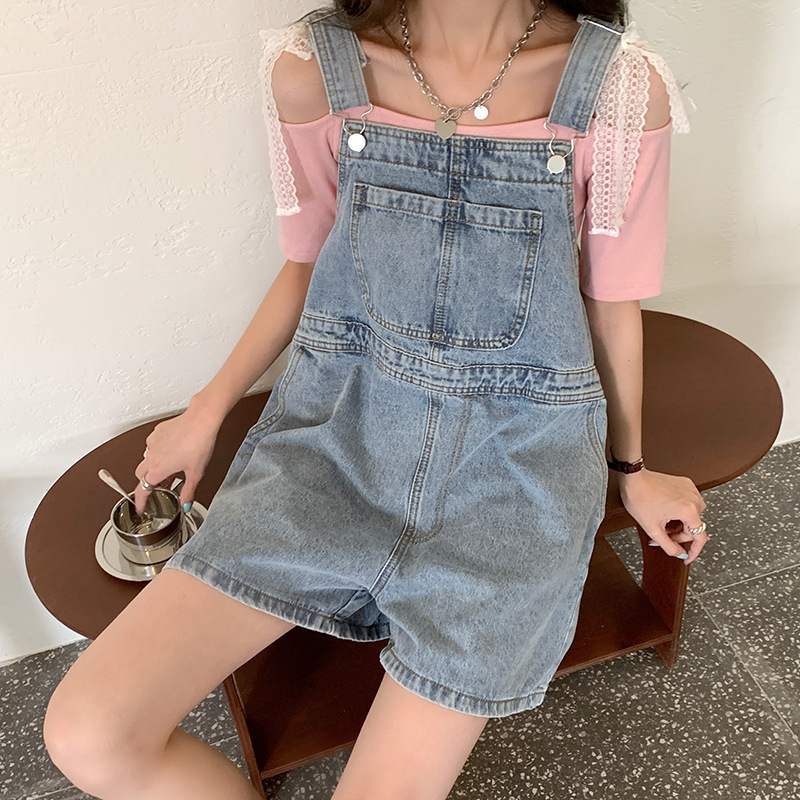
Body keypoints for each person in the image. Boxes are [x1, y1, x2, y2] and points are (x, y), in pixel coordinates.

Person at [43, 1, 709, 798]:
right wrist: (206, 410)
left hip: (516, 467)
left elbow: (612, 298)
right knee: (90, 732)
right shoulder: (312, 69)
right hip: (337, 437)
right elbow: (307, 262)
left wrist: (632, 469)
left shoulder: (619, 88)